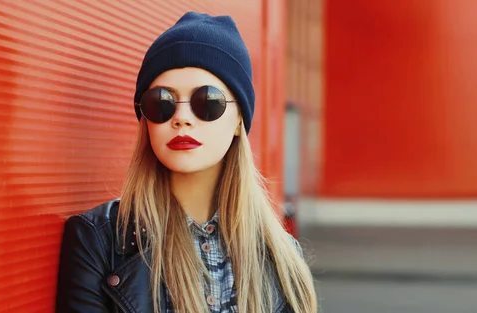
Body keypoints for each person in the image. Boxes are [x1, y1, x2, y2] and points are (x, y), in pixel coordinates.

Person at [55, 11, 317, 313]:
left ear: (238, 122)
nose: (181, 118)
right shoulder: (98, 241)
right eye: (162, 102)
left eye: (207, 102)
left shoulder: (282, 255)